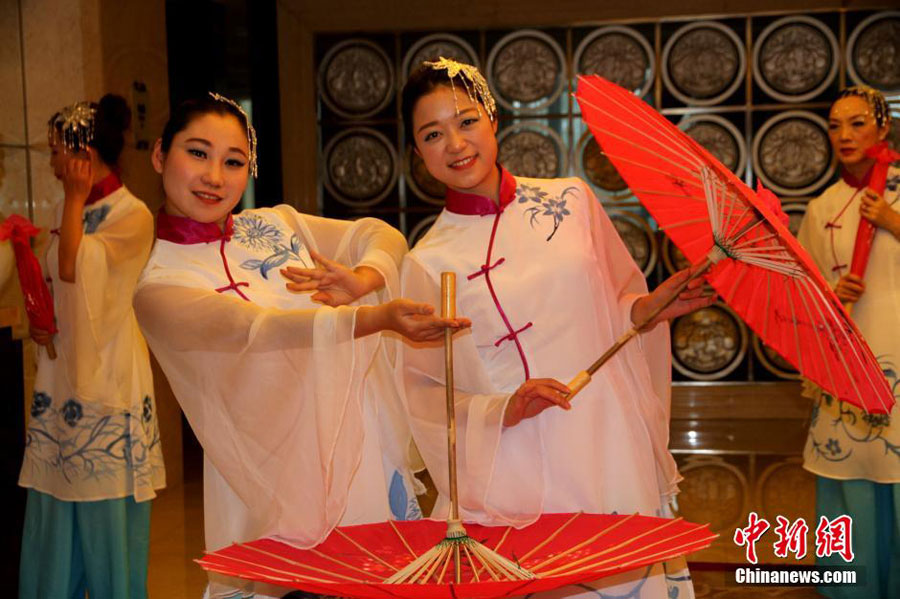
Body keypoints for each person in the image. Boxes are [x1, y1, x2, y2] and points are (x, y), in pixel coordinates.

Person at [398, 58, 714, 599]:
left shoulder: (572, 200)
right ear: (418, 152)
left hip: (604, 441)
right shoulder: (427, 261)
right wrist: (503, 408)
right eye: (433, 134)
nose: (455, 144)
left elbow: (614, 303)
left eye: (467, 121)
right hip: (508, 462)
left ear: (493, 119)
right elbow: (425, 394)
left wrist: (645, 310)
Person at [133, 93, 468, 599]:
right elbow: (255, 329)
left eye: (234, 161)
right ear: (161, 155)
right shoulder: (159, 286)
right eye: (197, 153)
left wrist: (362, 278)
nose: (214, 177)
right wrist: (374, 316)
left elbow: (379, 235)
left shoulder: (273, 225)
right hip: (265, 480)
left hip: (357, 452)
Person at [19, 95, 164, 599]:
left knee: (106, 513)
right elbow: (60, 289)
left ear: (84, 152)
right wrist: (44, 323)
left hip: (108, 379)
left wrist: (78, 203)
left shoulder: (133, 215)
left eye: (59, 151)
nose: (55, 163)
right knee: (54, 501)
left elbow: (77, 273)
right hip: (62, 377)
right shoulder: (66, 207)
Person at [798, 85, 900, 599]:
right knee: (851, 476)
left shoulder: (897, 192)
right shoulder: (822, 207)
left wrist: (893, 222)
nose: (844, 135)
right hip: (849, 357)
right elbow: (805, 290)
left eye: (857, 123)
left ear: (883, 128)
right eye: (835, 125)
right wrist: (831, 292)